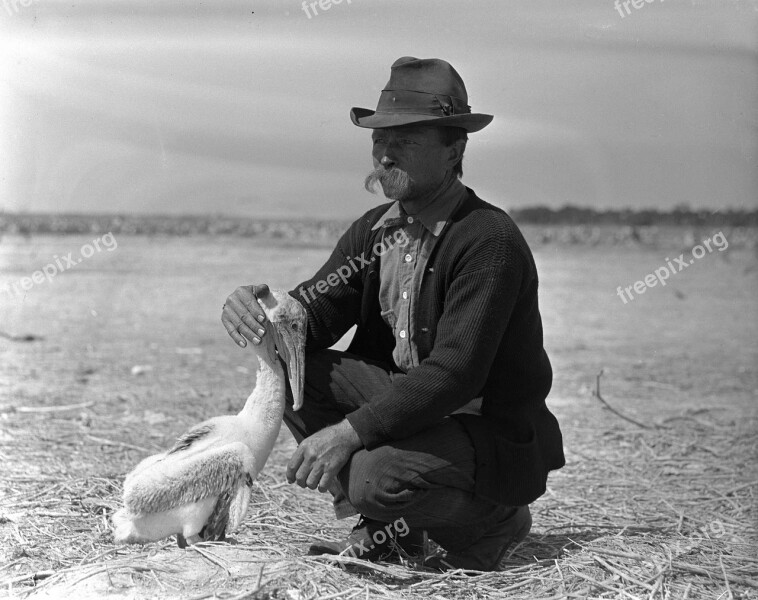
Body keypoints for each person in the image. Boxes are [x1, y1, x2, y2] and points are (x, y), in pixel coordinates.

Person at [221, 56, 565, 571]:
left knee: (374, 481)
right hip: (410, 408)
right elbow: (313, 313)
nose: (384, 155)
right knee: (288, 369)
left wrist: (348, 433)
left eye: (404, 140)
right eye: (379, 140)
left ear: (454, 150)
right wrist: (263, 312)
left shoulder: (486, 240)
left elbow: (454, 374)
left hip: (484, 427)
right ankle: (392, 537)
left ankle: (494, 520)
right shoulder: (375, 232)